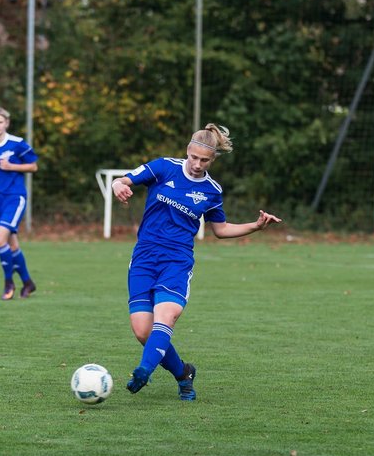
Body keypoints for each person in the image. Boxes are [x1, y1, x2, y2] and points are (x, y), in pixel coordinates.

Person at [111, 123, 281, 401]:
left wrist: (256, 226)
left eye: (204, 160)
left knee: (165, 320)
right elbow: (125, 179)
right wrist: (119, 185)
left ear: (212, 160)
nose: (197, 164)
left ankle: (144, 369)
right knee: (143, 332)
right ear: (187, 151)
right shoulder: (163, 167)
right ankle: (183, 373)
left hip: (176, 262)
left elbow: (221, 229)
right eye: (194, 157)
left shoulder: (212, 191)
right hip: (143, 258)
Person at [0, 106, 38, 299]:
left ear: (6, 123)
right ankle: (28, 282)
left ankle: (8, 282)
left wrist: (12, 166)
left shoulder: (17, 143)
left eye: (0, 122)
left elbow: (34, 166)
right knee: (12, 246)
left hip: (15, 196)